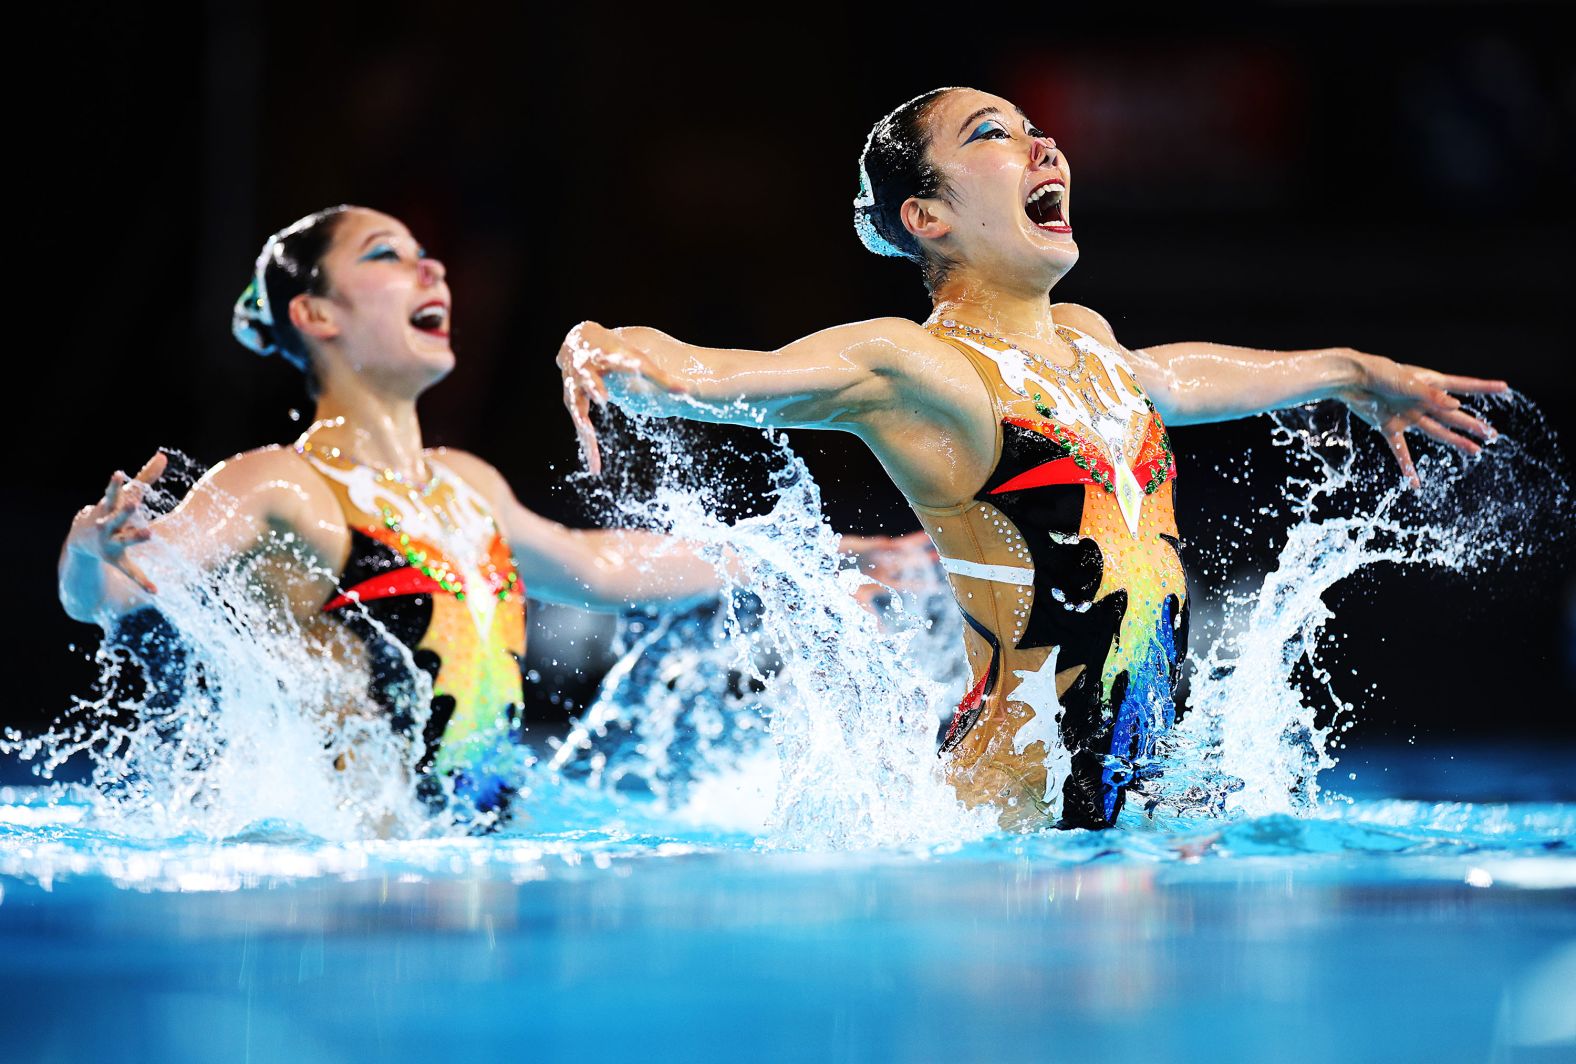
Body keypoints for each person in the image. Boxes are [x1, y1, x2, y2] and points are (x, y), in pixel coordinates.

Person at [555, 87, 1508, 830]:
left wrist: (1347, 371)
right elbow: (734, 375)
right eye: (989, 135)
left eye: (1035, 131)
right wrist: (609, 343)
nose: (1042, 147)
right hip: (1001, 836)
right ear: (927, 216)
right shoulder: (918, 366)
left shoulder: (1090, 347)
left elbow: (1177, 377)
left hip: (1129, 823)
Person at [57, 205, 745, 817]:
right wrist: (92, 553)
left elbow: (603, 566)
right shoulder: (281, 484)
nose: (433, 268)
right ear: (316, 313)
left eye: (425, 254)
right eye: (386, 254)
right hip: (353, 894)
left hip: (476, 868)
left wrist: (801, 557)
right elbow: (117, 590)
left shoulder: (467, 484)